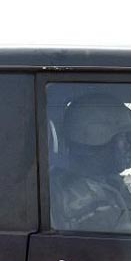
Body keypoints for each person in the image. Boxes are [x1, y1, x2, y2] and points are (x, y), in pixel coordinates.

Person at [50, 93, 131, 232]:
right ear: (98, 139)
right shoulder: (90, 202)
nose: (129, 147)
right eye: (127, 138)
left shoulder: (105, 181)